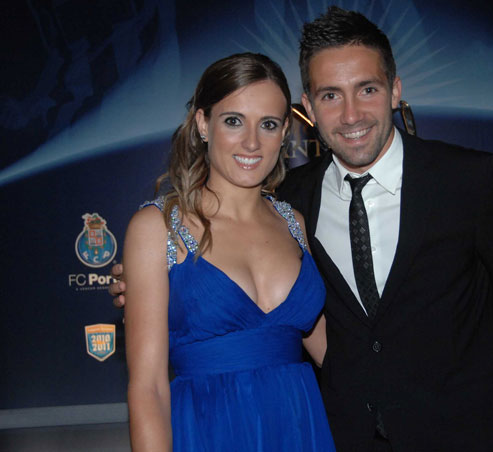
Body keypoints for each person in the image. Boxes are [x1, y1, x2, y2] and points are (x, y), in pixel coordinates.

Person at [113, 7, 493, 452]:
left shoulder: (468, 181)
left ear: (395, 90)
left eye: (367, 89)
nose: (351, 114)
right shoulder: (297, 198)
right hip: (332, 434)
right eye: (330, 95)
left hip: (457, 432)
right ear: (308, 109)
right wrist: (149, 280)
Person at [123, 52, 335, 451]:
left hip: (299, 429)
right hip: (209, 432)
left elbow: (333, 355)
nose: (252, 142)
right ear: (203, 123)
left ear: (284, 132)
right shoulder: (157, 227)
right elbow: (148, 388)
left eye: (268, 124)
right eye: (234, 121)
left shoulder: (294, 222)